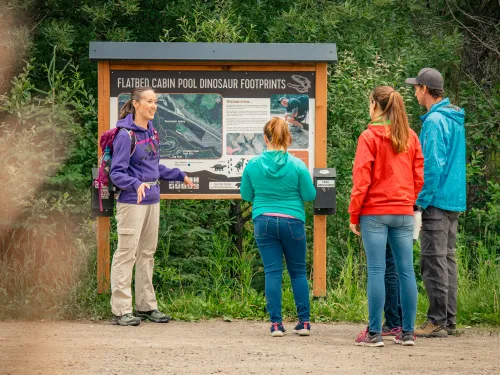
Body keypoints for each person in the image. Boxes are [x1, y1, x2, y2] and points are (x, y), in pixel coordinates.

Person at [109, 87, 195, 326]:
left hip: (152, 199)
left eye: (155, 102)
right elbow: (117, 173)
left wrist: (179, 175)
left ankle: (146, 307)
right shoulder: (126, 135)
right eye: (149, 101)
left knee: (147, 254)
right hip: (131, 202)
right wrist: (135, 184)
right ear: (136, 104)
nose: (153, 105)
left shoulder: (152, 132)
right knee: (127, 253)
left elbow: (154, 168)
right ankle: (121, 310)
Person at [349, 86, 424, 347]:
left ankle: (374, 334)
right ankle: (408, 333)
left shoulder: (368, 137)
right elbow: (418, 178)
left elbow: (362, 179)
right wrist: (408, 202)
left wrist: (354, 213)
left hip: (374, 213)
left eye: (370, 103)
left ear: (375, 105)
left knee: (377, 271)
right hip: (403, 212)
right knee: (406, 272)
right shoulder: (410, 137)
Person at [240, 117, 316, 337]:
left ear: (265, 138)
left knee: (272, 272)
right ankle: (303, 323)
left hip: (263, 221)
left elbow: (246, 194)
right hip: (293, 221)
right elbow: (310, 195)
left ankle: (276, 324)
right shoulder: (297, 164)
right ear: (288, 138)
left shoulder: (253, 165)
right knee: (298, 271)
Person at [406, 68, 466, 337]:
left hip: (436, 201)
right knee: (447, 261)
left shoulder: (434, 121)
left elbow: (431, 166)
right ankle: (449, 319)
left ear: (425, 90)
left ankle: (436, 319)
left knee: (433, 262)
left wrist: (419, 201)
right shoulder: (454, 118)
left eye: (416, 87)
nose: (414, 92)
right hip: (453, 200)